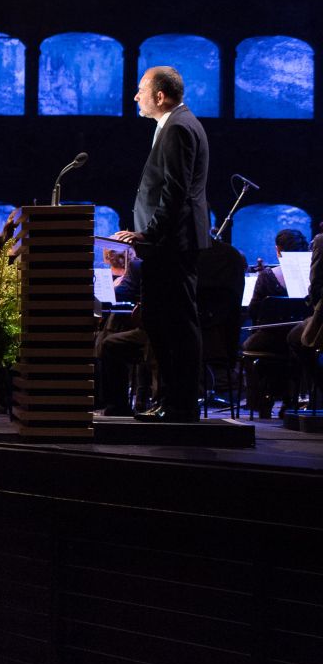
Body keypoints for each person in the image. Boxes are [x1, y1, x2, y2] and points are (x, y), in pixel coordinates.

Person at [112, 66, 210, 422]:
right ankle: (171, 400)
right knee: (159, 321)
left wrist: (149, 233)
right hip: (165, 245)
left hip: (172, 245)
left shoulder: (179, 128)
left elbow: (175, 190)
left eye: (141, 90)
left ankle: (181, 404)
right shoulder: (173, 125)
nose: (135, 96)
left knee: (178, 324)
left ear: (160, 96)